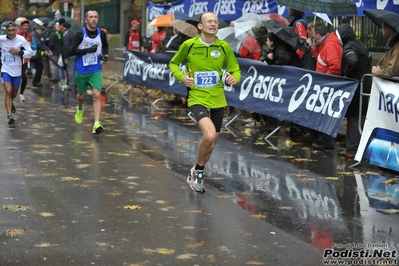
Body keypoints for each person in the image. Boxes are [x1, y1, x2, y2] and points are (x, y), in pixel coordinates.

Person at [169, 12, 241, 192]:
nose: (213, 24)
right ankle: (199, 172)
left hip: (218, 100)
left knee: (212, 142)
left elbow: (235, 69)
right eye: (209, 21)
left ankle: (195, 169)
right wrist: (182, 77)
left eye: (215, 22)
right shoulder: (189, 45)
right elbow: (173, 63)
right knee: (208, 136)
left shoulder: (224, 47)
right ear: (200, 26)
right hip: (197, 98)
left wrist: (234, 78)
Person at [69, 10, 109, 135]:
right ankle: (80, 108)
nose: (93, 19)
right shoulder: (80, 34)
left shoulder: (101, 33)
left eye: (95, 17)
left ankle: (96, 123)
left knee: (97, 94)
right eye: (91, 17)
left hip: (96, 68)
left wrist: (106, 55)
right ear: (86, 19)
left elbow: (106, 46)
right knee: (82, 95)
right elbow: (71, 51)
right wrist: (86, 50)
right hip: (82, 70)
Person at [337, 23, 371, 158]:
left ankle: (352, 149)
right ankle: (358, 146)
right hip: (364, 84)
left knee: (353, 116)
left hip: (356, 86)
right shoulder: (359, 44)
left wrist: (346, 75)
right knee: (360, 116)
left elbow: (352, 60)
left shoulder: (349, 47)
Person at [310, 22, 342, 150]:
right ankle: (325, 139)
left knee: (326, 113)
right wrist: (314, 49)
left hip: (327, 84)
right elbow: (322, 60)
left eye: (313, 35)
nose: (312, 37)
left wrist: (326, 81)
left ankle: (327, 141)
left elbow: (334, 66)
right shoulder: (326, 43)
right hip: (326, 83)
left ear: (318, 34)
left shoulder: (329, 45)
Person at [0, 21, 33, 125]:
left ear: (16, 30)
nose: (11, 32)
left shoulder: (21, 40)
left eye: (13, 30)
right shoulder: (1, 39)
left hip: (17, 70)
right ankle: (9, 115)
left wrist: (19, 52)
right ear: (5, 31)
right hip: (5, 69)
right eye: (9, 30)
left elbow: (30, 53)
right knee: (8, 91)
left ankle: (11, 101)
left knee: (13, 93)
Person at [16, 18, 36, 102]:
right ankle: (13, 92)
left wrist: (30, 46)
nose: (26, 27)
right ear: (21, 26)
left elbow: (35, 47)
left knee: (24, 76)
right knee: (17, 76)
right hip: (17, 59)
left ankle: (21, 94)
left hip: (26, 59)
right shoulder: (16, 34)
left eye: (27, 25)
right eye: (24, 25)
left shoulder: (30, 36)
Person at [31, 21, 52, 87]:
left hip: (36, 54)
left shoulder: (39, 35)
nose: (42, 31)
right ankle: (36, 81)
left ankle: (36, 81)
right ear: (37, 29)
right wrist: (46, 49)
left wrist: (47, 50)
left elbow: (42, 43)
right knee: (39, 66)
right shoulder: (34, 35)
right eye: (41, 30)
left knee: (40, 66)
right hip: (33, 54)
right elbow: (39, 44)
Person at [62, 22, 77, 90]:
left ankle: (71, 84)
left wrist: (66, 57)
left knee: (70, 70)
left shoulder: (66, 35)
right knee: (76, 70)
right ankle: (77, 84)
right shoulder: (75, 33)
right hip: (77, 54)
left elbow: (66, 47)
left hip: (70, 55)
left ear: (65, 27)